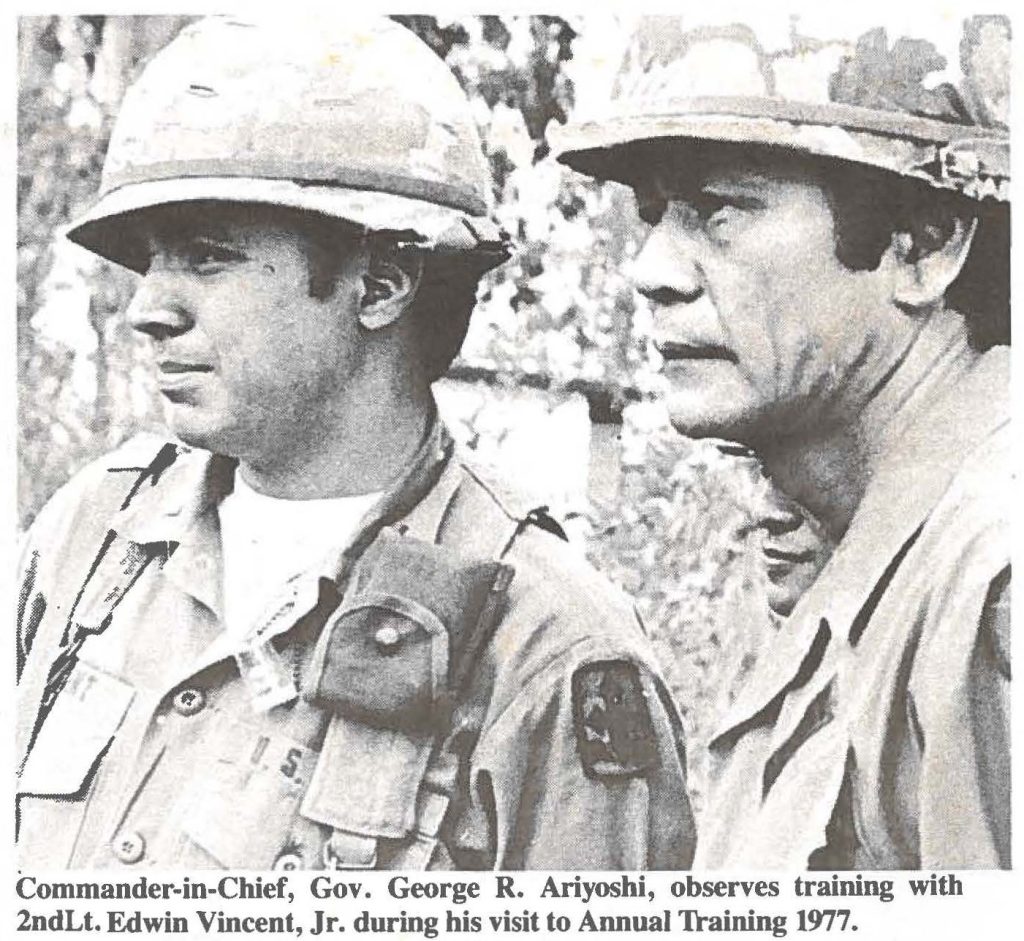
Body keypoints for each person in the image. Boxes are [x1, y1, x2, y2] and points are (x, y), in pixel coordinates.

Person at [16, 15, 695, 871]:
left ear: (381, 283)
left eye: (209, 257)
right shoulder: (89, 539)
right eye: (151, 259)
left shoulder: (548, 646)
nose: (148, 308)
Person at [555, 14, 1010, 868]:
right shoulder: (870, 567)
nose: (651, 268)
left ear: (924, 240)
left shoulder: (992, 579)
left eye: (718, 208)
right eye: (654, 213)